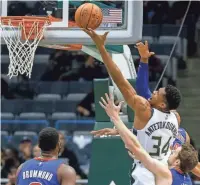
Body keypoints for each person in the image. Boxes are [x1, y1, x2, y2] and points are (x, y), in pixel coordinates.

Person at [85, 28, 181, 162]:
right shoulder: (175, 117)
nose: (154, 91)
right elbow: (150, 133)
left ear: (162, 104)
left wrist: (101, 47)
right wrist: (120, 131)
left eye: (157, 93)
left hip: (144, 174)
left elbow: (120, 80)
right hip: (163, 174)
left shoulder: (144, 109)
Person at [98, 93, 198, 185]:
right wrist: (118, 131)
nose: (171, 153)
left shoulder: (166, 173)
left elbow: (135, 147)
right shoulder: (187, 180)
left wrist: (115, 117)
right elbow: (189, 161)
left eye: (174, 153)